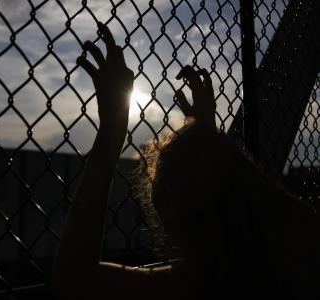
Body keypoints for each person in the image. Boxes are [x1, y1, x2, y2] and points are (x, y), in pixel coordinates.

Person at [51, 22, 320, 299]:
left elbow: (75, 278)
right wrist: (205, 137)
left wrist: (112, 127)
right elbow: (214, 180)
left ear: (172, 217)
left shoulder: (202, 282)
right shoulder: (301, 240)